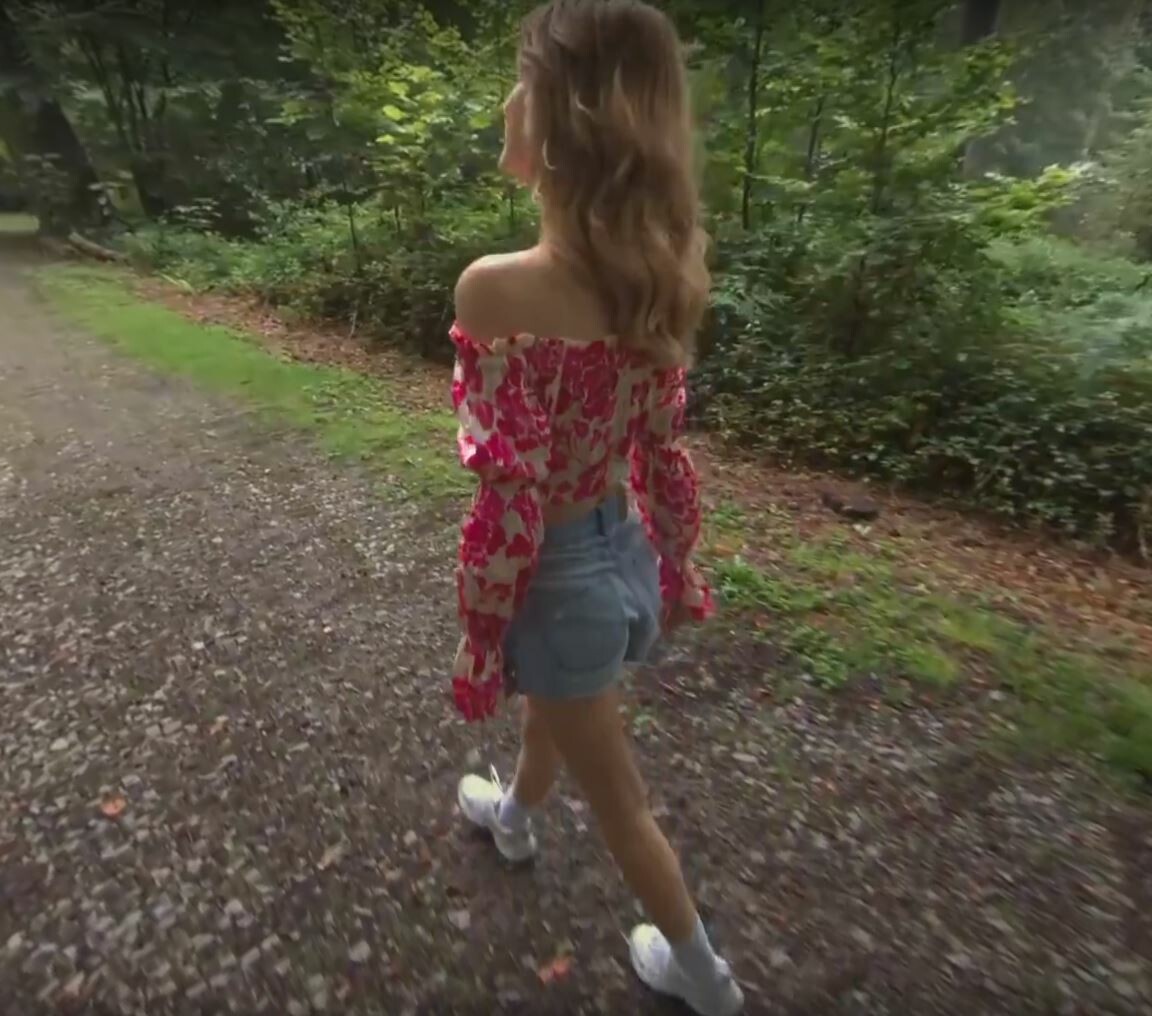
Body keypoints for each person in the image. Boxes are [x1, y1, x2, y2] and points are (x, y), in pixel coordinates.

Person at [446, 2, 743, 1014]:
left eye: (522, 82)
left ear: (562, 116)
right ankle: (514, 818)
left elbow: (509, 493)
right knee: (559, 703)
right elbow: (657, 443)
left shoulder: (495, 289)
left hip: (558, 571)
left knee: (623, 805)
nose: (507, 98)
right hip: (625, 554)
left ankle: (701, 973)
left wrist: (487, 621)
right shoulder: (660, 275)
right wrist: (677, 558)